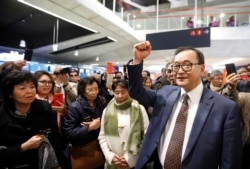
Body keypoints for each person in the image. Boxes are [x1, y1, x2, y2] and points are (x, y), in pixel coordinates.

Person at [127, 41, 242, 169]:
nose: (180, 71)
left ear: (202, 69)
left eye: (187, 65)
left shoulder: (224, 108)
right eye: (176, 66)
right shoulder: (166, 93)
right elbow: (136, 92)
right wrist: (137, 60)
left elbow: (230, 161)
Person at [0, 70, 64, 169]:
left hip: (41, 162)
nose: (29, 91)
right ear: (10, 93)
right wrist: (23, 147)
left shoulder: (44, 107)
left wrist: (59, 163)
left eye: (32, 87)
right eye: (22, 88)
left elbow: (54, 137)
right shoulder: (2, 114)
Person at [98, 79, 149, 169]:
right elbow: (102, 137)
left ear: (128, 92)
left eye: (123, 92)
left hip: (135, 161)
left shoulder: (139, 109)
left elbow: (147, 136)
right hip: (113, 161)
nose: (120, 96)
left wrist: (131, 159)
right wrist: (110, 156)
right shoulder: (106, 111)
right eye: (116, 92)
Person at [63, 76, 107, 169]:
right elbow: (69, 133)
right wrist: (89, 128)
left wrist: (100, 122)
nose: (94, 92)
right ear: (82, 90)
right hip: (84, 149)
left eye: (96, 89)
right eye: (90, 90)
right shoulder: (75, 107)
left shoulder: (102, 102)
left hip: (102, 146)